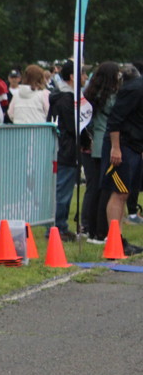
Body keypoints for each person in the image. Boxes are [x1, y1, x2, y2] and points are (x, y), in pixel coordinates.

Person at [101, 60, 143, 254]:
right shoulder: (135, 89)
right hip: (122, 146)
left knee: (125, 193)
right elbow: (115, 119)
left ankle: (119, 239)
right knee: (119, 192)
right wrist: (116, 148)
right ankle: (114, 240)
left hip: (133, 146)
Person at [81, 62, 122, 243]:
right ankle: (100, 229)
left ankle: (90, 227)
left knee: (94, 189)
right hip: (106, 143)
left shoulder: (90, 94)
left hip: (94, 142)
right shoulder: (111, 97)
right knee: (104, 189)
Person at [47, 61, 79, 241]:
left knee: (62, 188)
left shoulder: (58, 96)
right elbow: (73, 126)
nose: (84, 77)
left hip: (60, 147)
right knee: (62, 190)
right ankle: (57, 226)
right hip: (66, 149)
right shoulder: (67, 99)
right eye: (82, 74)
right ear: (72, 77)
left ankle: (60, 225)